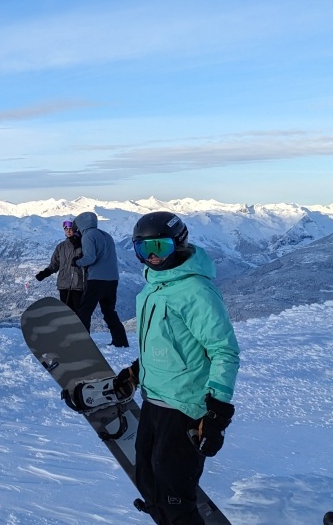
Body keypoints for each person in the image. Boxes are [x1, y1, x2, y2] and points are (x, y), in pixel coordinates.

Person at [115, 212, 240, 524]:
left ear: (180, 243)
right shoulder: (150, 290)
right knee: (148, 483)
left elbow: (224, 351)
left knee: (174, 497)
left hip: (185, 405)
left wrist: (216, 412)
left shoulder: (196, 291)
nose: (153, 257)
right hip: (153, 401)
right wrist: (136, 371)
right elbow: (165, 344)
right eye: (144, 250)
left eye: (161, 246)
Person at [71, 211, 129, 347]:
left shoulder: (88, 236)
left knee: (85, 310)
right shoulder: (106, 235)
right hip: (113, 279)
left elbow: (90, 258)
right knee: (109, 311)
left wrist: (77, 262)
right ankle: (120, 341)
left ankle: (82, 342)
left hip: (97, 279)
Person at [34, 220, 87, 311]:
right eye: (66, 229)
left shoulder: (83, 245)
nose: (68, 231)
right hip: (64, 285)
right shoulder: (61, 247)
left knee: (79, 313)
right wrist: (45, 273)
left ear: (75, 230)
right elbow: (55, 264)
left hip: (78, 284)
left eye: (71, 229)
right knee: (66, 312)